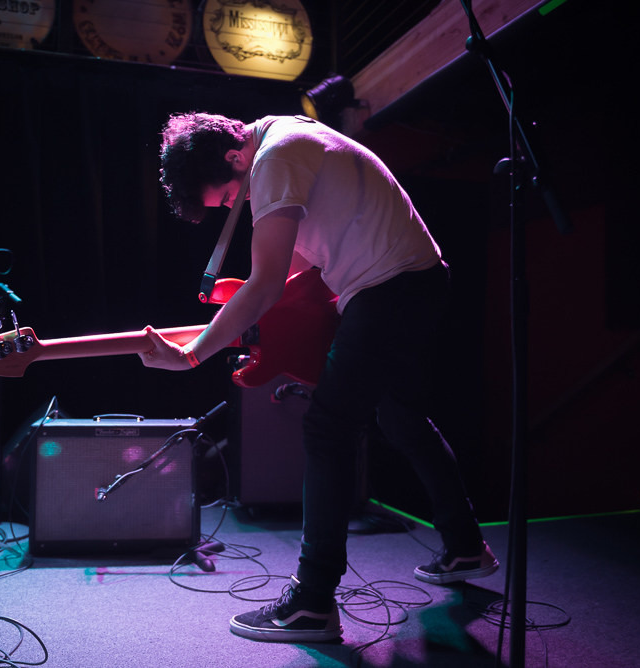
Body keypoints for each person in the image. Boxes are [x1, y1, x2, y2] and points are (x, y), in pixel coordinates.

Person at [140, 113, 498, 643]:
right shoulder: (287, 133)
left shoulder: (275, 159)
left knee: (328, 429)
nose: (234, 209)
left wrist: (194, 353)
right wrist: (248, 313)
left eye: (227, 199)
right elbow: (296, 265)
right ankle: (467, 546)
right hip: (412, 283)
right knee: (400, 417)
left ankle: (311, 602)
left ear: (235, 159)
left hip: (389, 290)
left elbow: (265, 285)